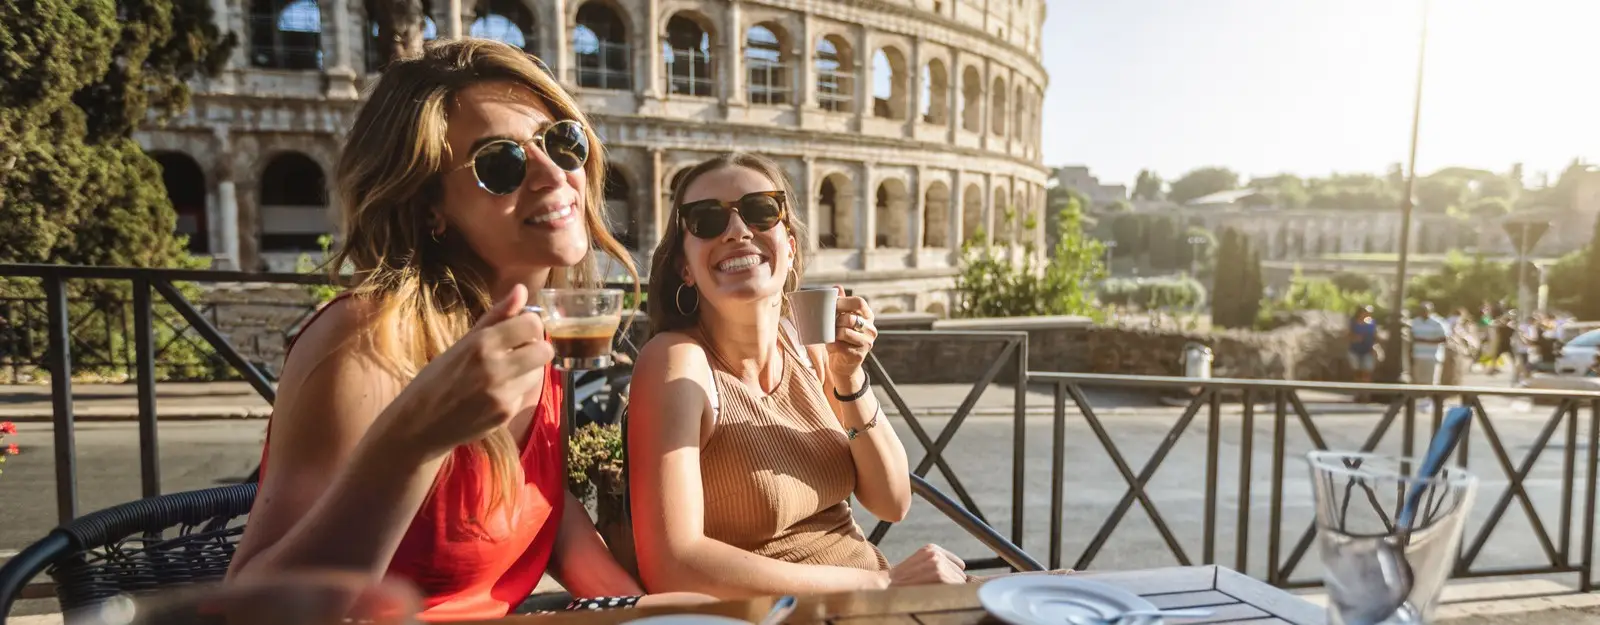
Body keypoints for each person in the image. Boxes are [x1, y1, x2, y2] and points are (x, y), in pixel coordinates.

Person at [225, 40, 707, 620]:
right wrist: (413, 442)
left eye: (563, 142)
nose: (554, 174)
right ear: (429, 204)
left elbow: (541, 513)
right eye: (500, 164)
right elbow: (253, 612)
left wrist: (656, 613)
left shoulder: (531, 330)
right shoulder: (367, 343)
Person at [627, 153, 968, 599]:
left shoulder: (808, 345)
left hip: (872, 600)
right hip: (804, 609)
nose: (738, 231)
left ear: (789, 246)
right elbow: (674, 566)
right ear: (684, 267)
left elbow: (892, 500)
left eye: (760, 210)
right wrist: (883, 582)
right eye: (707, 220)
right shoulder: (676, 362)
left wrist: (848, 377)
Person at [1408, 302, 1448, 386]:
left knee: (1431, 381)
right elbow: (1411, 337)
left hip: (1432, 356)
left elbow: (1444, 339)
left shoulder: (1438, 322)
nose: (1423, 312)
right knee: (1418, 380)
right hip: (1418, 355)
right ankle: (1419, 398)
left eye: (1425, 310)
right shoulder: (1415, 322)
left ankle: (1429, 398)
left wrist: (1425, 341)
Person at [1346, 306, 1378, 383]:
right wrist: (1356, 338)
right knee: (1357, 371)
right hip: (1355, 350)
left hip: (1368, 350)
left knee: (1367, 371)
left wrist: (1375, 347)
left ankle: (1366, 391)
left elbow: (1375, 336)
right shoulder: (1353, 322)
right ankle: (1358, 389)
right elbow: (1348, 335)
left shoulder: (1372, 323)